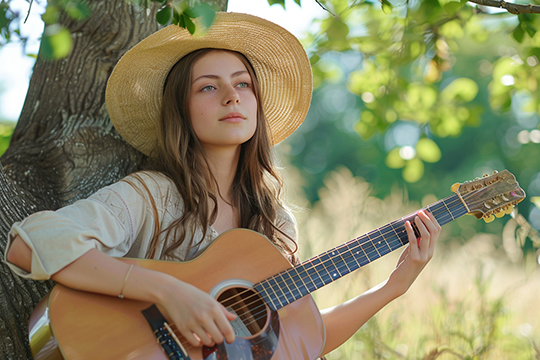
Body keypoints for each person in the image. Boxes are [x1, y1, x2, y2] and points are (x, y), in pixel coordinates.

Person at [4, 12, 440, 359]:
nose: (232, 96)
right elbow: (28, 245)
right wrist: (167, 291)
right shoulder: (154, 195)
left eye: (243, 84)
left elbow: (302, 343)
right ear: (182, 111)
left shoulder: (274, 222)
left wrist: (392, 288)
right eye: (208, 87)